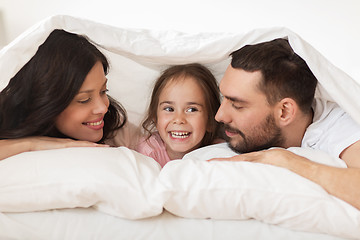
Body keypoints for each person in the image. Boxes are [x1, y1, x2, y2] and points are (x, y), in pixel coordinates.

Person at [211, 38, 360, 210]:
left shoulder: (340, 128)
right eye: (224, 97)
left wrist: (288, 162)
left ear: (284, 112)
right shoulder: (236, 126)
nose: (219, 116)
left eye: (237, 105)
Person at [0, 29, 133, 160]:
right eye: (84, 100)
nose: (103, 108)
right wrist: (31, 144)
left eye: (103, 91)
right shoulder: (8, 121)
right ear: (45, 101)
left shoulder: (118, 128)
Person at [136, 63, 223, 167]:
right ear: (155, 118)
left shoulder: (219, 153)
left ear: (210, 121)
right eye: (169, 109)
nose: (178, 119)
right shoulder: (147, 152)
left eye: (192, 109)